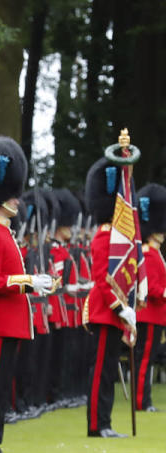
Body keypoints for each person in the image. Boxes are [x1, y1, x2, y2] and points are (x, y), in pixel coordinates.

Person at [0, 137, 52, 453]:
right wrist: (28, 281)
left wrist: (34, 284)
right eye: (11, 195)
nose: (16, 200)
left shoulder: (4, 231)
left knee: (1, 389)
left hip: (10, 323)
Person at [82, 156, 135, 438]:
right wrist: (119, 308)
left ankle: (105, 421)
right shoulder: (104, 237)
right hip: (105, 312)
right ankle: (96, 424)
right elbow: (103, 279)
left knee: (108, 373)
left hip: (113, 313)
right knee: (101, 371)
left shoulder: (115, 238)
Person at [134, 183, 165, 412]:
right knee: (145, 360)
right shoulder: (149, 254)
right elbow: (153, 289)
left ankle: (144, 399)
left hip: (154, 315)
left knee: (147, 359)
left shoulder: (154, 253)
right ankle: (141, 401)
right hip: (150, 314)